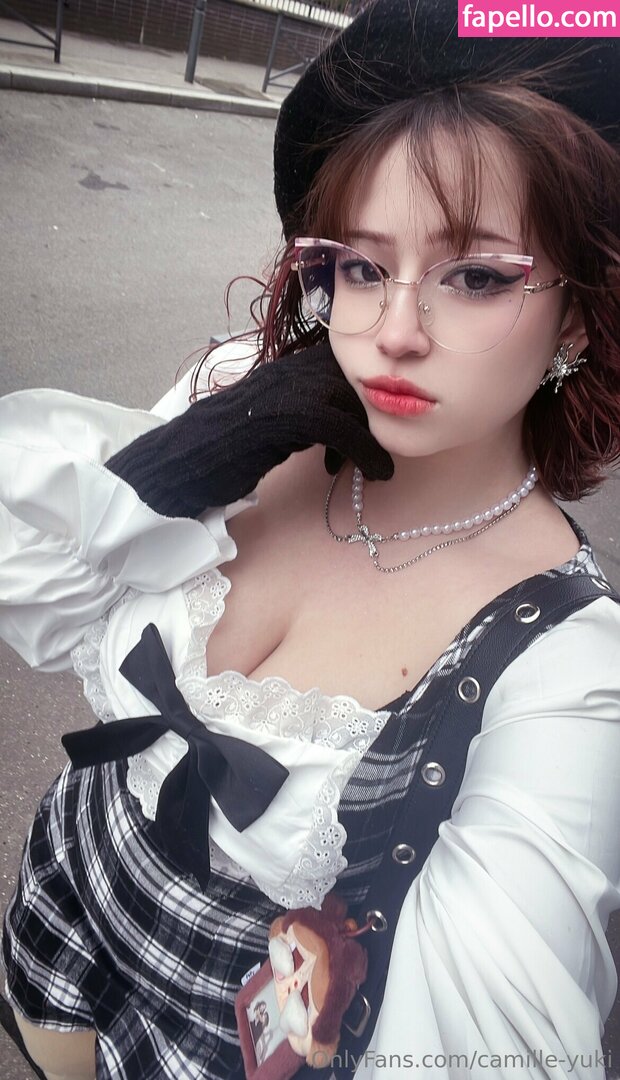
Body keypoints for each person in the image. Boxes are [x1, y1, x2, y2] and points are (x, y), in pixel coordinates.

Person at [1, 2, 619, 1078]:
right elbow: (29, 578)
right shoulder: (240, 402)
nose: (393, 333)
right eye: (362, 267)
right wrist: (191, 456)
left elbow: (489, 1037)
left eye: (476, 276)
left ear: (574, 315)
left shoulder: (565, 671)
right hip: (64, 897)